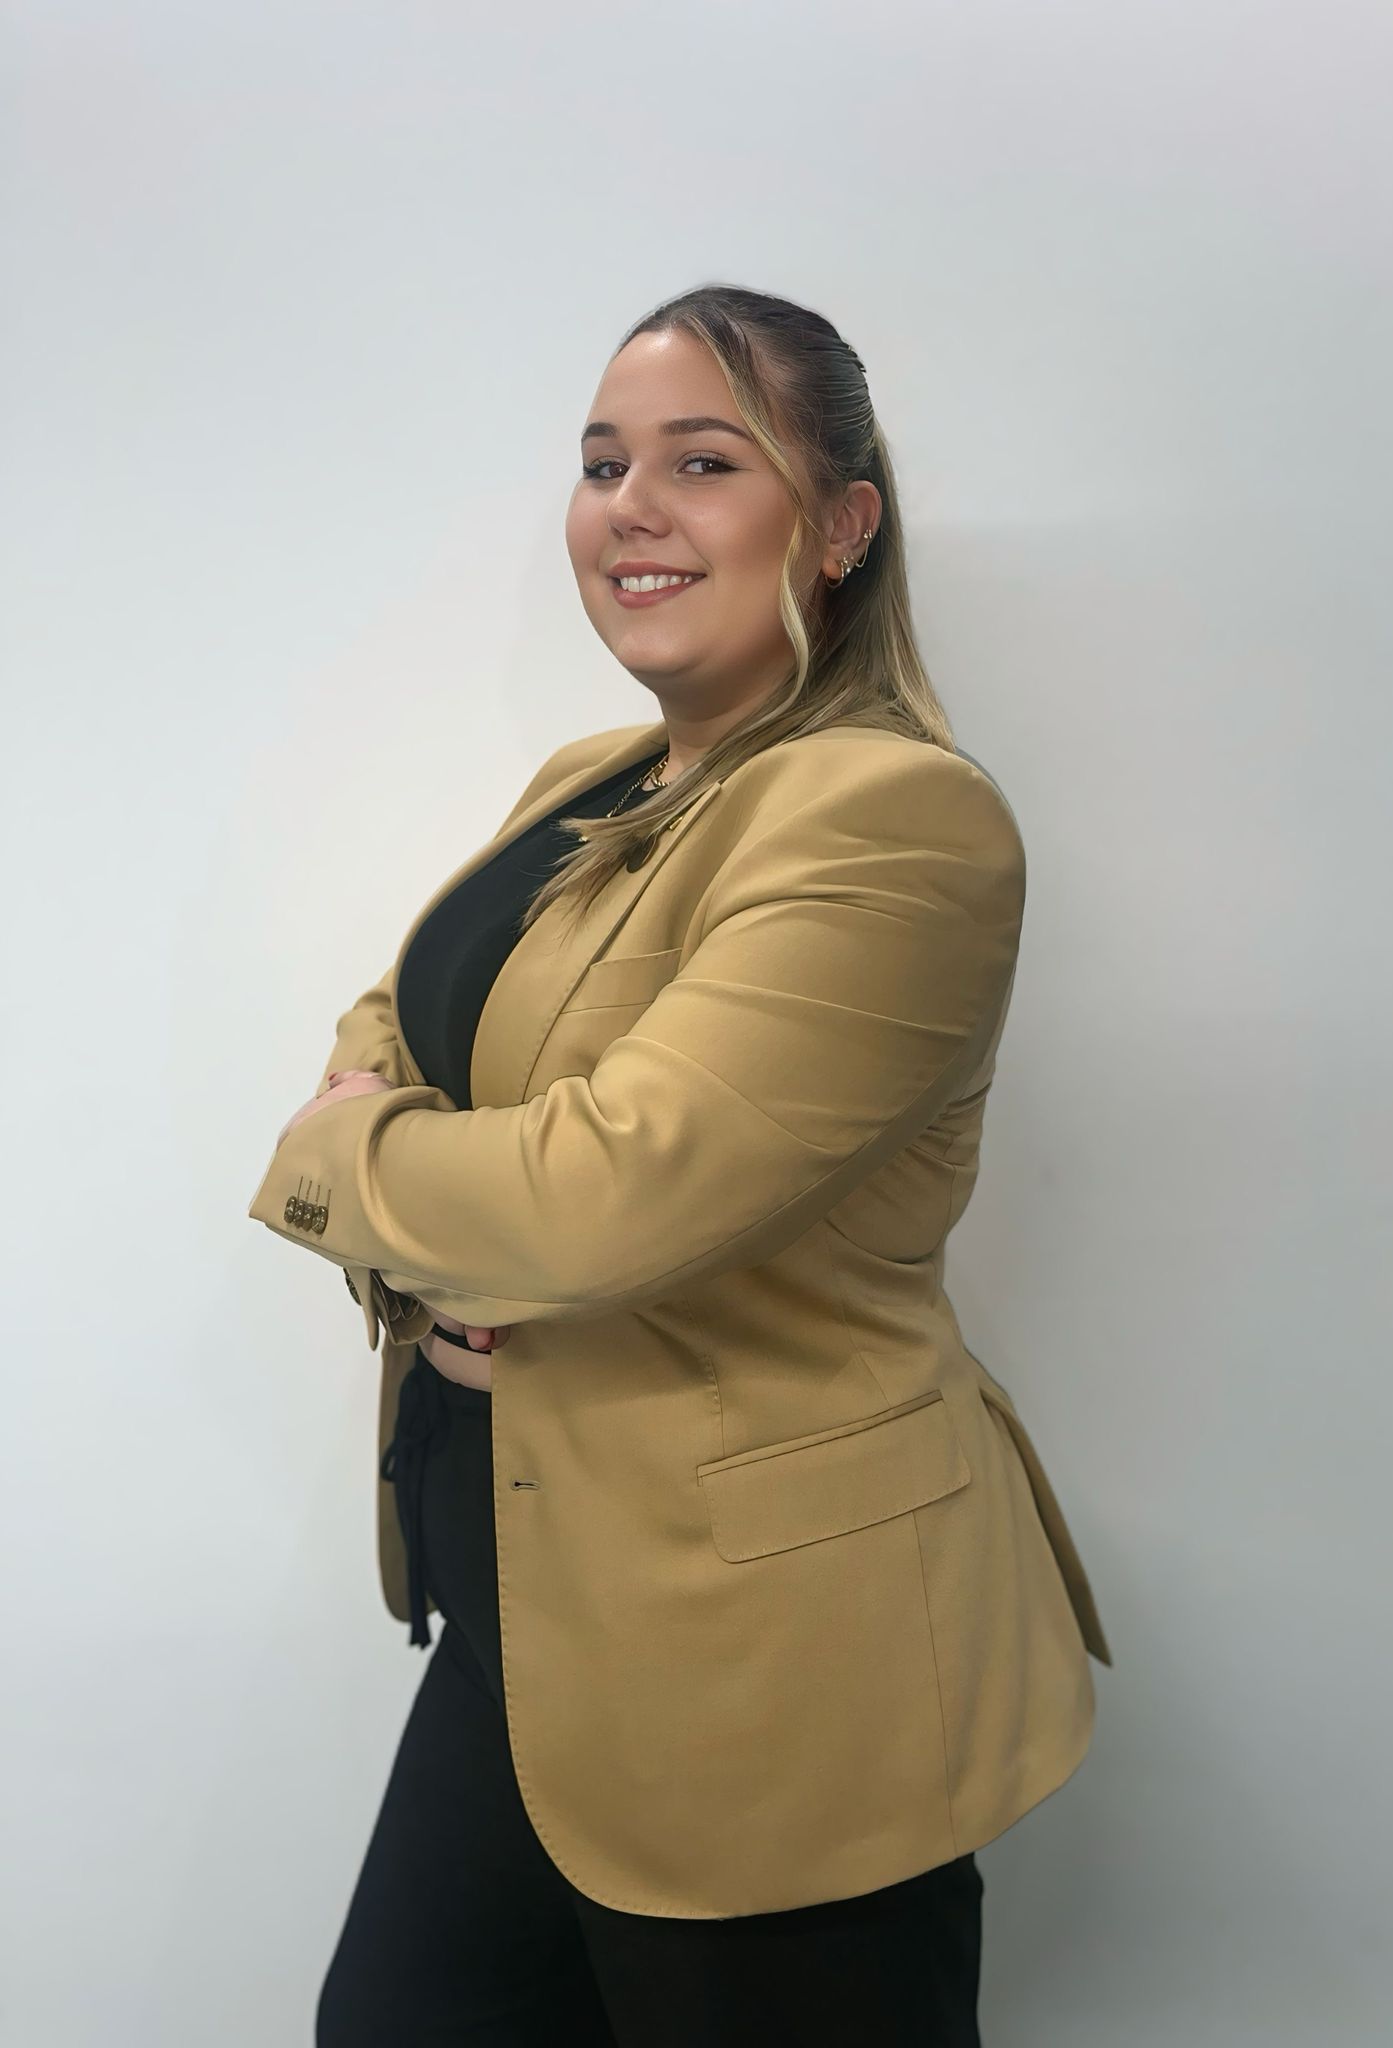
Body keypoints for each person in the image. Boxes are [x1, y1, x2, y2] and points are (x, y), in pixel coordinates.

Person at [247, 283, 1113, 2047]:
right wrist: (443, 1186)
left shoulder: (893, 816)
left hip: (764, 1659)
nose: (630, 508)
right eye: (601, 464)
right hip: (522, 1598)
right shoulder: (600, 776)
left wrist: (358, 1165)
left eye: (703, 462)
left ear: (842, 524)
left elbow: (605, 1200)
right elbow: (393, 1017)